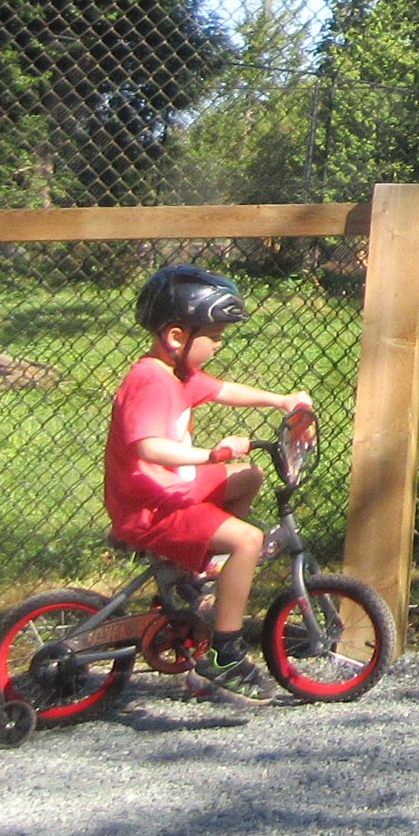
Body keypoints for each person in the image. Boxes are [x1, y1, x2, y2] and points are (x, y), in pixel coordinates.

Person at [107, 264, 314, 702]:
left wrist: (282, 400)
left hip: (172, 490)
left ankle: (198, 571)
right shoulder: (150, 381)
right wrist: (211, 455)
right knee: (246, 540)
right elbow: (149, 448)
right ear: (178, 337)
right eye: (214, 336)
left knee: (248, 476)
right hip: (151, 507)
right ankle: (224, 655)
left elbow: (223, 391)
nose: (219, 345)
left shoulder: (176, 373)